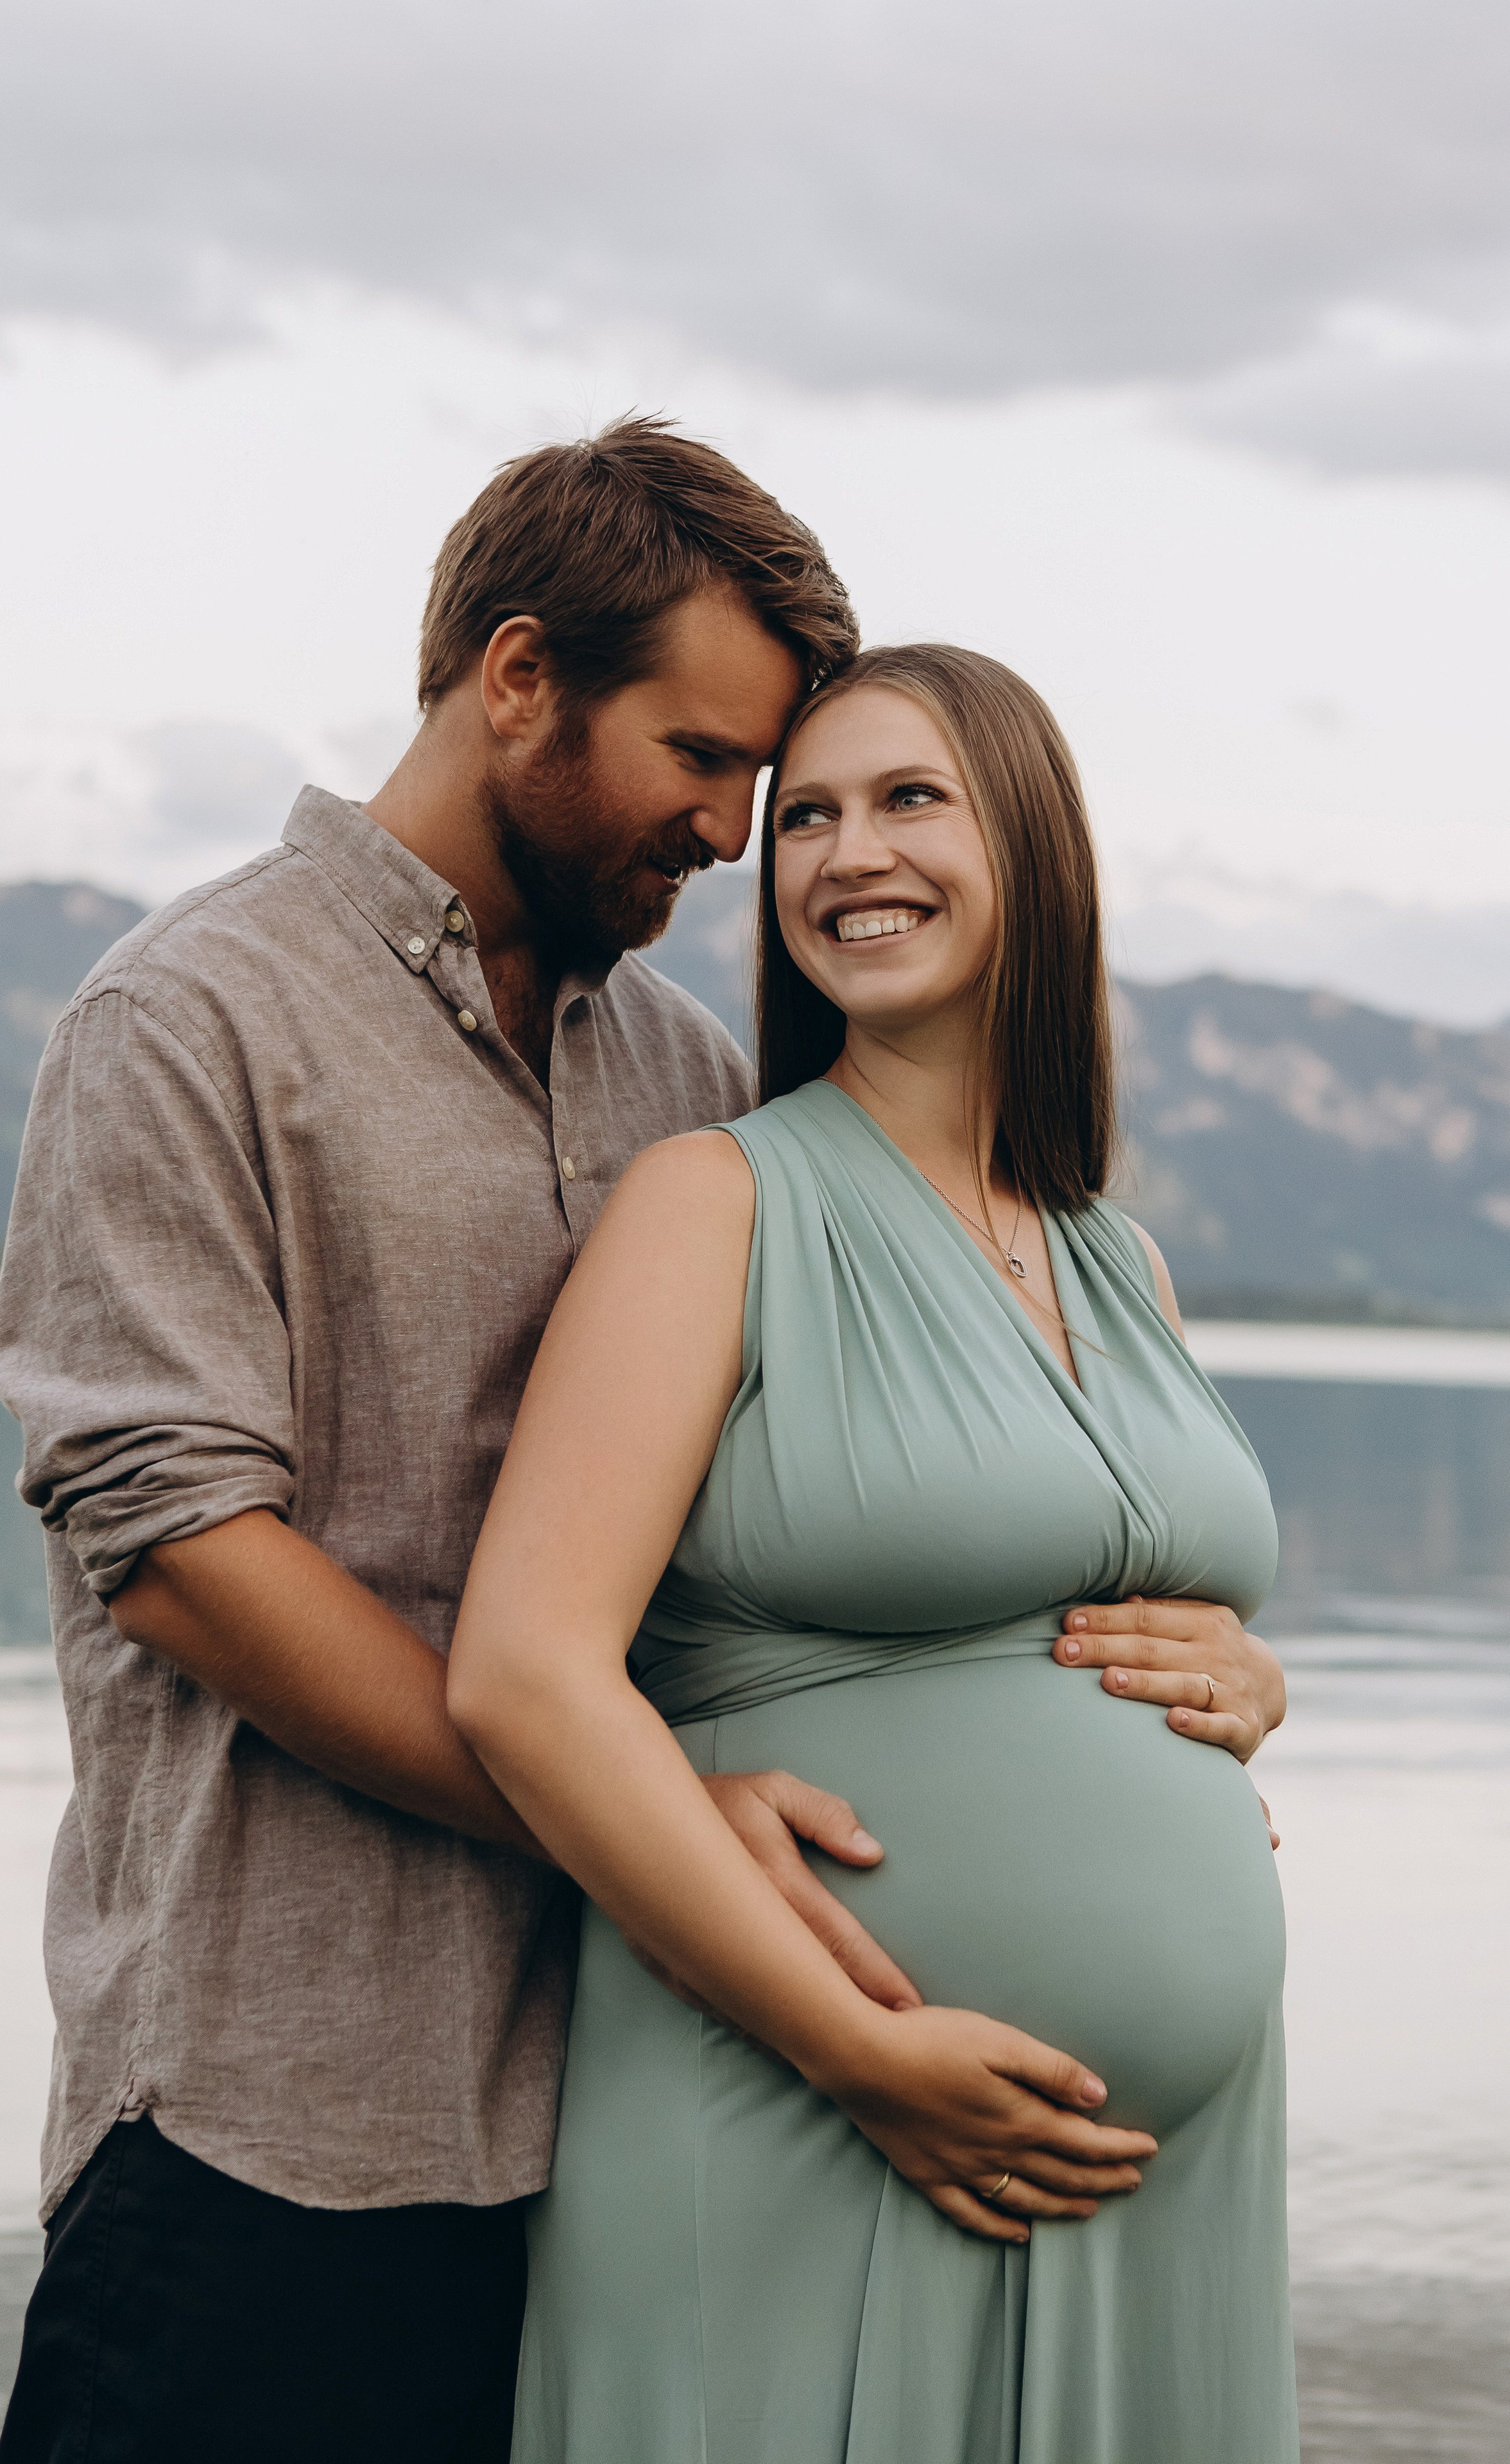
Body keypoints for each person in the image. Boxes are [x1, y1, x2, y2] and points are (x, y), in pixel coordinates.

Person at [0, 417, 905, 2463]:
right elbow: (185, 1557)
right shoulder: (186, 1021)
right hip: (269, 2126)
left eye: (761, 778)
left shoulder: (692, 1074)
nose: (737, 835)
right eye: (699, 757)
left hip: (631, 2120)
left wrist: (1181, 1658)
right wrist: (636, 1808)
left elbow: (817, 1503)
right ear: (517, 679)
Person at [449, 642, 1298, 2463]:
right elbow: (526, 1669)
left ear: (1035, 849)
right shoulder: (719, 1201)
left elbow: (1111, 1607)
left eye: (911, 799)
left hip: (1157, 2179)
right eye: (808, 817)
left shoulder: (1113, 1259)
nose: (845, 856)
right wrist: (855, 2050)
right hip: (805, 2105)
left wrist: (1245, 1681)